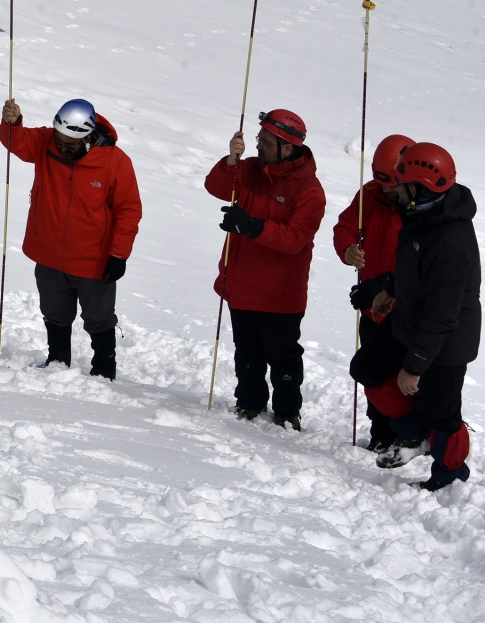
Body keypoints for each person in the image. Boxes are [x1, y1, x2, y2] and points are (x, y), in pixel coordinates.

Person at [349, 143, 477, 491]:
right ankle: (414, 434)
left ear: (419, 189)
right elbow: (414, 269)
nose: (395, 191)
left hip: (445, 339)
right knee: (367, 368)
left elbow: (442, 312)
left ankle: (450, 477)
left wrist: (414, 365)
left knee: (443, 414)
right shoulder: (422, 214)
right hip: (411, 319)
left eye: (401, 184)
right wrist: (389, 287)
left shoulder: (450, 239)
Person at [0, 98, 142, 378]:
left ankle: (103, 369)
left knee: (99, 319)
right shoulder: (46, 142)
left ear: (89, 137)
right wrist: (12, 122)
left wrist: (119, 255)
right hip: (49, 252)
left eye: (70, 144)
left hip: (94, 261)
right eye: (59, 141)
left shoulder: (115, 162)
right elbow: (16, 142)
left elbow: (129, 211)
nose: (62, 148)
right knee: (54, 312)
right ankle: (57, 360)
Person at [204, 109, 325, 430]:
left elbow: (295, 239)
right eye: (259, 140)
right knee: (247, 354)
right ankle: (250, 403)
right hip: (241, 284)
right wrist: (232, 158)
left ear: (288, 147)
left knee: (283, 356)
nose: (259, 147)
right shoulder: (251, 169)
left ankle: (287, 411)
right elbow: (215, 186)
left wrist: (251, 225)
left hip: (279, 294)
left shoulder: (309, 190)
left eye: (266, 143)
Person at [332, 134, 413, 450]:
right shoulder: (370, 194)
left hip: (404, 311)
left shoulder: (420, 208)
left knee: (404, 379)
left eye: (393, 184)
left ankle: (408, 436)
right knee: (373, 377)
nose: (388, 191)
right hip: (371, 307)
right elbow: (345, 226)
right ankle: (381, 435)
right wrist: (348, 248)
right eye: (383, 184)